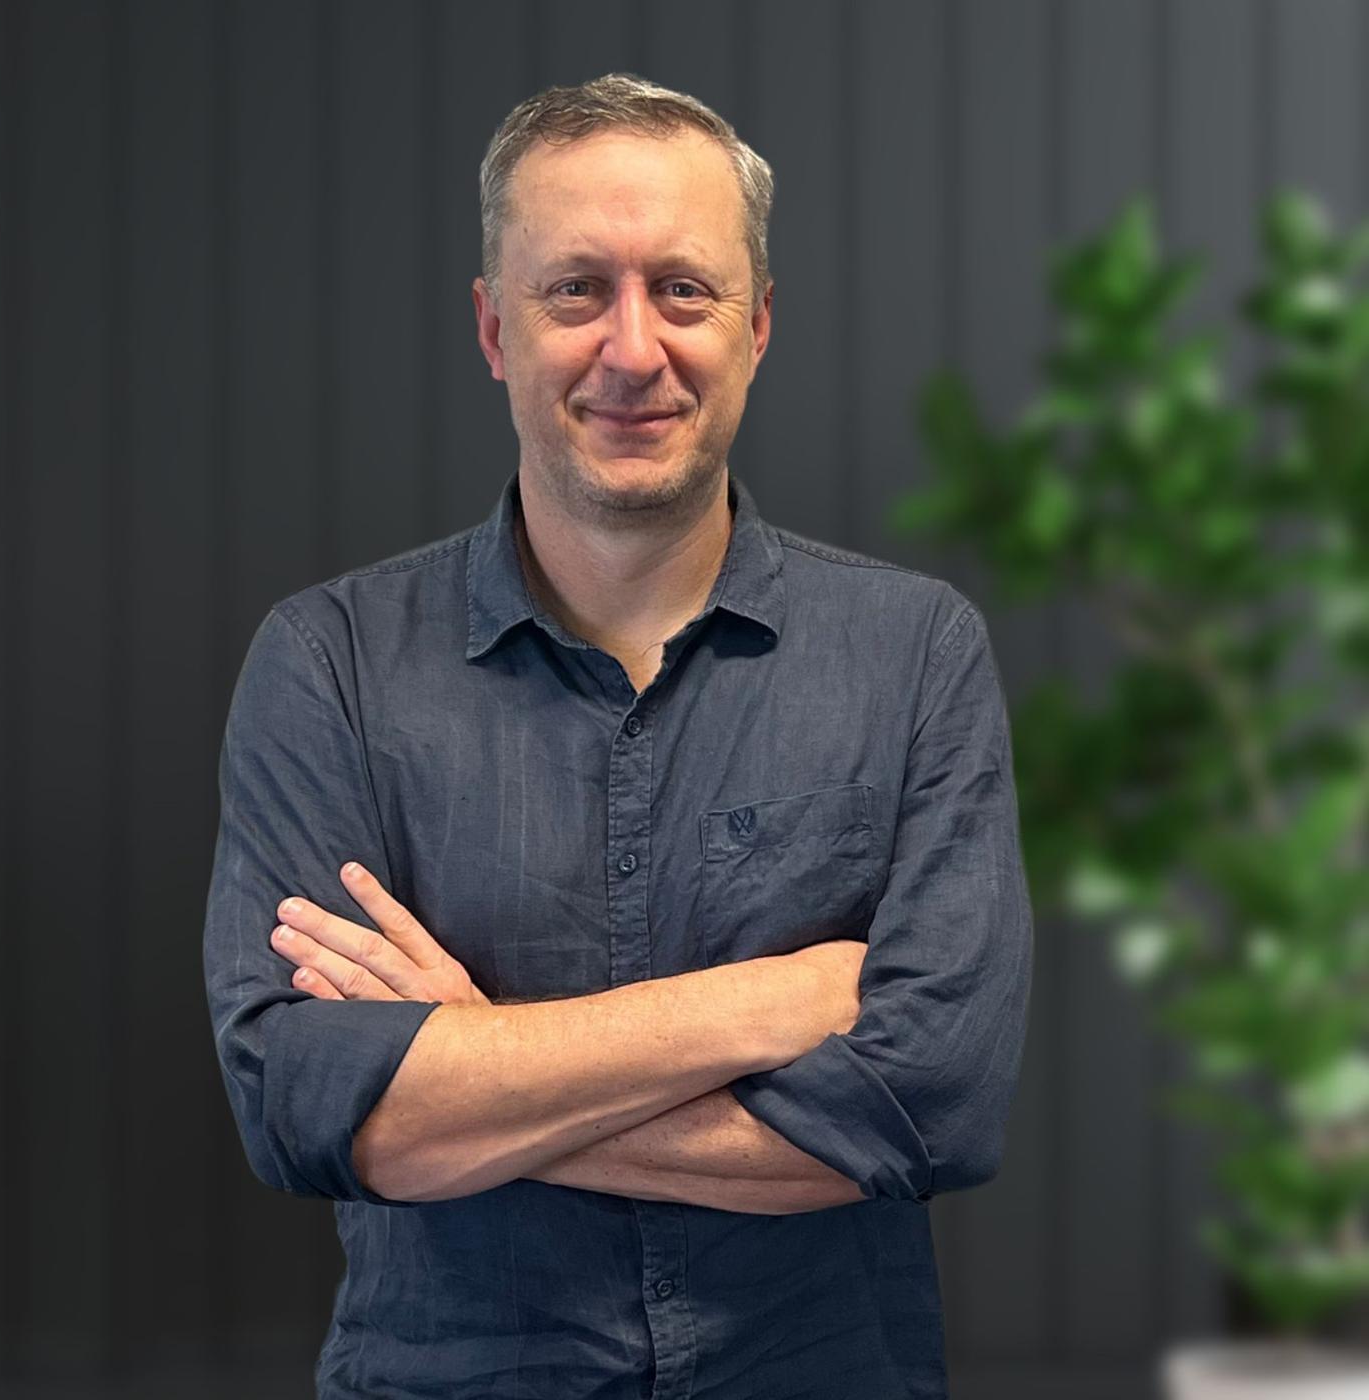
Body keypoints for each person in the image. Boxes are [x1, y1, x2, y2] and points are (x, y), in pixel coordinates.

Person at [202, 71, 1033, 1400]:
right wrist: (765, 1004)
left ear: (759, 327)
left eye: (684, 291)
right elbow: (302, 1107)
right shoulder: (331, 664)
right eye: (577, 290)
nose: (633, 349)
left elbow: (932, 1107)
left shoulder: (914, 653)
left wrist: (469, 1062)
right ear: (495, 328)